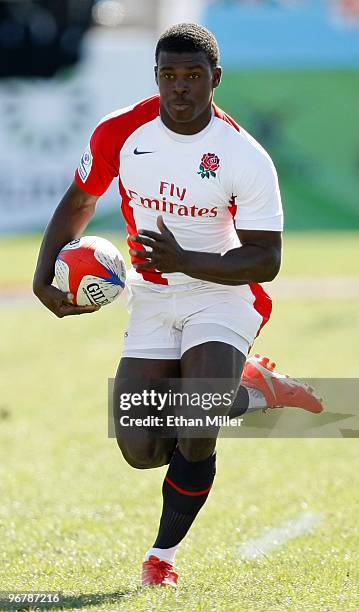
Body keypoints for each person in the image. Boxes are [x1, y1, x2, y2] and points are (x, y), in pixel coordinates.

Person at [33, 23, 323, 587]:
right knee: (140, 448)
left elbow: (265, 260)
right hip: (152, 297)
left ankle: (160, 557)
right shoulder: (120, 132)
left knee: (196, 426)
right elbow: (80, 198)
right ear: (156, 78)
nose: (180, 88)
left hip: (223, 293)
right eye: (169, 76)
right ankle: (250, 390)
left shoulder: (243, 155)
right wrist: (46, 277)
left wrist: (185, 260)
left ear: (216, 79)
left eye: (193, 76)